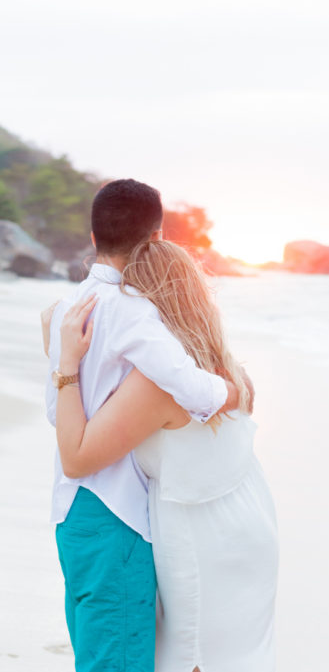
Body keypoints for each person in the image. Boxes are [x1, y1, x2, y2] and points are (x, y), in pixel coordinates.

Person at [43, 179, 249, 672]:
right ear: (156, 239)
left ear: (93, 238)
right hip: (118, 514)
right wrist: (236, 392)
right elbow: (192, 389)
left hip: (70, 513)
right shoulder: (136, 315)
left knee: (94, 648)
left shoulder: (67, 312)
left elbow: (58, 411)